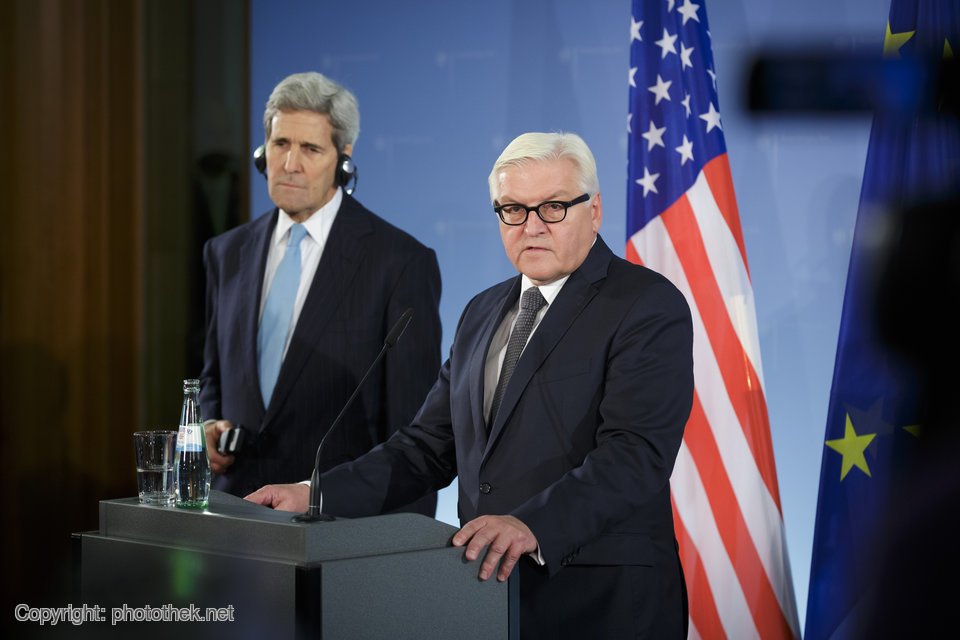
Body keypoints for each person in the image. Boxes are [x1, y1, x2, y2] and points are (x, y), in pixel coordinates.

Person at [247, 132, 693, 638]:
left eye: (552, 208)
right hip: (486, 596)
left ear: (594, 211)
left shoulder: (645, 304)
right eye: (513, 210)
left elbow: (635, 454)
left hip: (601, 603)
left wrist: (533, 525)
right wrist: (314, 495)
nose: (532, 227)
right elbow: (425, 449)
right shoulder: (482, 311)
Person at [199, 72, 441, 518]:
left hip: (334, 524)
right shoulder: (226, 252)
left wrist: (405, 544)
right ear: (262, 153)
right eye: (280, 144)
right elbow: (214, 375)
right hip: (232, 513)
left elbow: (414, 436)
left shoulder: (399, 262)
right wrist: (209, 424)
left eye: (310, 149)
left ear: (343, 159)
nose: (290, 163)